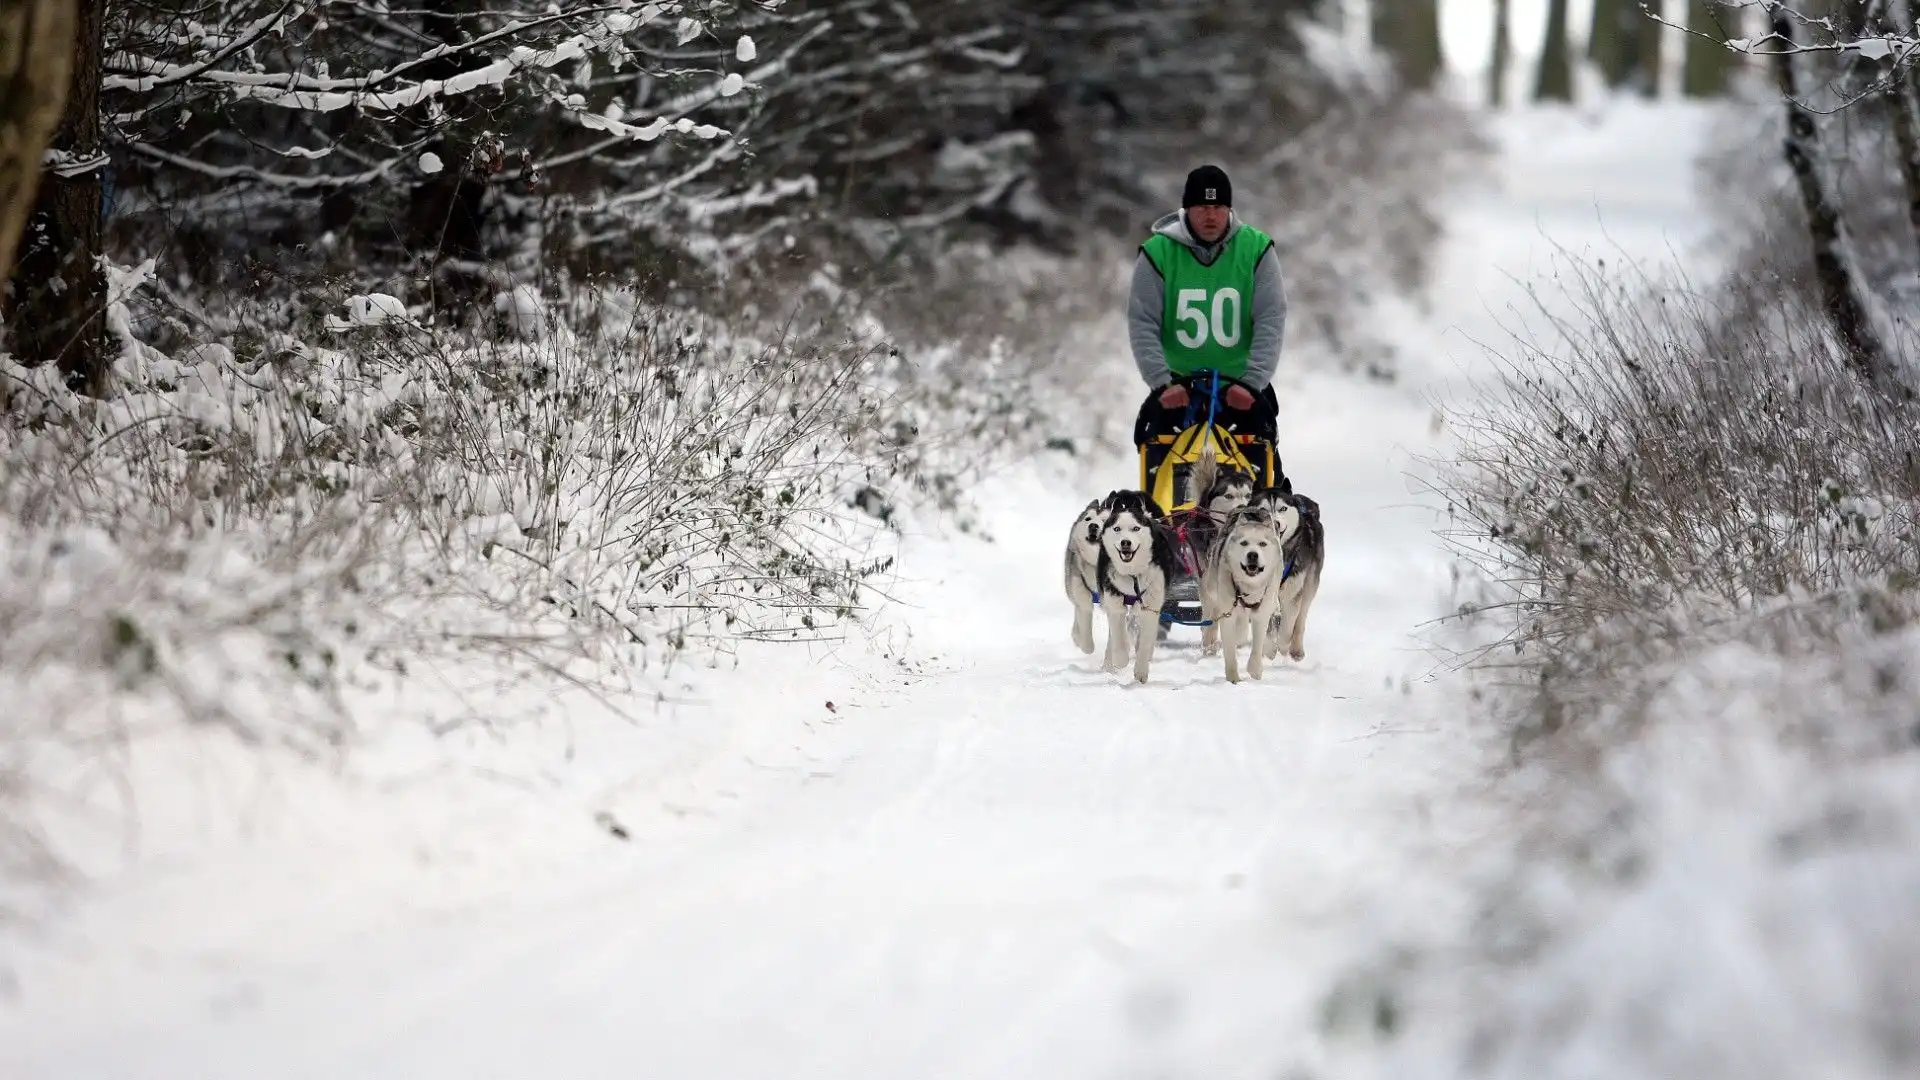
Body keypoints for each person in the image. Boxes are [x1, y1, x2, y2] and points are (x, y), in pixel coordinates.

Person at [1126, 164, 1287, 451]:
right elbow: (1143, 322)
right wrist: (1162, 384)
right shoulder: (1156, 253)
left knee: (1263, 474)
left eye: (1218, 206)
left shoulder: (1257, 250)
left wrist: (1252, 382)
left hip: (1242, 389)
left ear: (1229, 209)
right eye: (1202, 207)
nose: (1211, 215)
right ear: (1186, 209)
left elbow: (1270, 318)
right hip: (1178, 390)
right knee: (1162, 469)